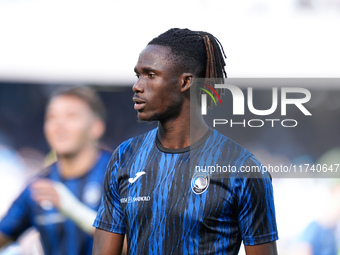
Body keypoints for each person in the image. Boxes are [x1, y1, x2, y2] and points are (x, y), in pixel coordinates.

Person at [93, 28, 279, 255]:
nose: (137, 86)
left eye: (151, 75)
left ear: (185, 82)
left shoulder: (243, 169)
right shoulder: (124, 157)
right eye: (138, 75)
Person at [0, 87, 112, 255]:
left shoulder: (121, 175)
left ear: (96, 127)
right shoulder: (39, 186)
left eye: (71, 116)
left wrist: (75, 210)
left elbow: (138, 244)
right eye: (52, 117)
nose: (59, 124)